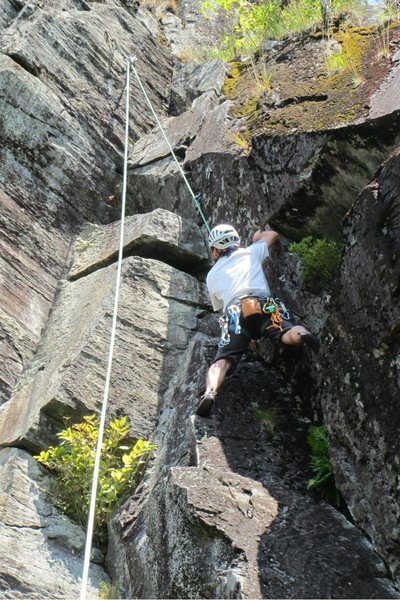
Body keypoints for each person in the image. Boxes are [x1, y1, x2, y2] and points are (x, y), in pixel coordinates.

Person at [196, 223, 320, 417]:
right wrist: (257, 237)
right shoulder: (250, 252)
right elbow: (273, 234)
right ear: (235, 242)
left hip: (236, 311)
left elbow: (221, 308)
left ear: (214, 251)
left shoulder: (211, 276)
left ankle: (210, 392)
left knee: (222, 360)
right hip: (264, 303)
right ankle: (303, 335)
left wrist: (248, 340)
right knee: (286, 331)